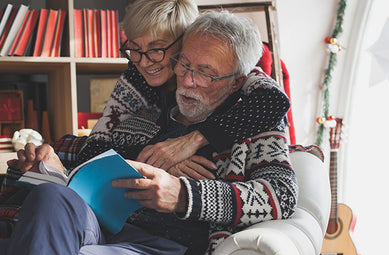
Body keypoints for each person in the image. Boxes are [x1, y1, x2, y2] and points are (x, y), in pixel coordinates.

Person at [0, 10, 297, 255]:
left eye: (206, 73)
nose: (188, 79)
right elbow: (93, 155)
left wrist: (182, 194)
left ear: (237, 82)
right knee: (51, 197)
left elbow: (281, 195)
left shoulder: (255, 124)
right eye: (184, 64)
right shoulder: (146, 110)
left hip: (159, 252)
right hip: (103, 225)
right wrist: (49, 164)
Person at [78, 0, 290, 178]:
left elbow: (275, 100)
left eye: (156, 49)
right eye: (134, 48)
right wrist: (159, 162)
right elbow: (94, 149)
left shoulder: (232, 71)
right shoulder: (136, 76)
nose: (143, 62)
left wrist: (194, 139)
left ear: (185, 41)